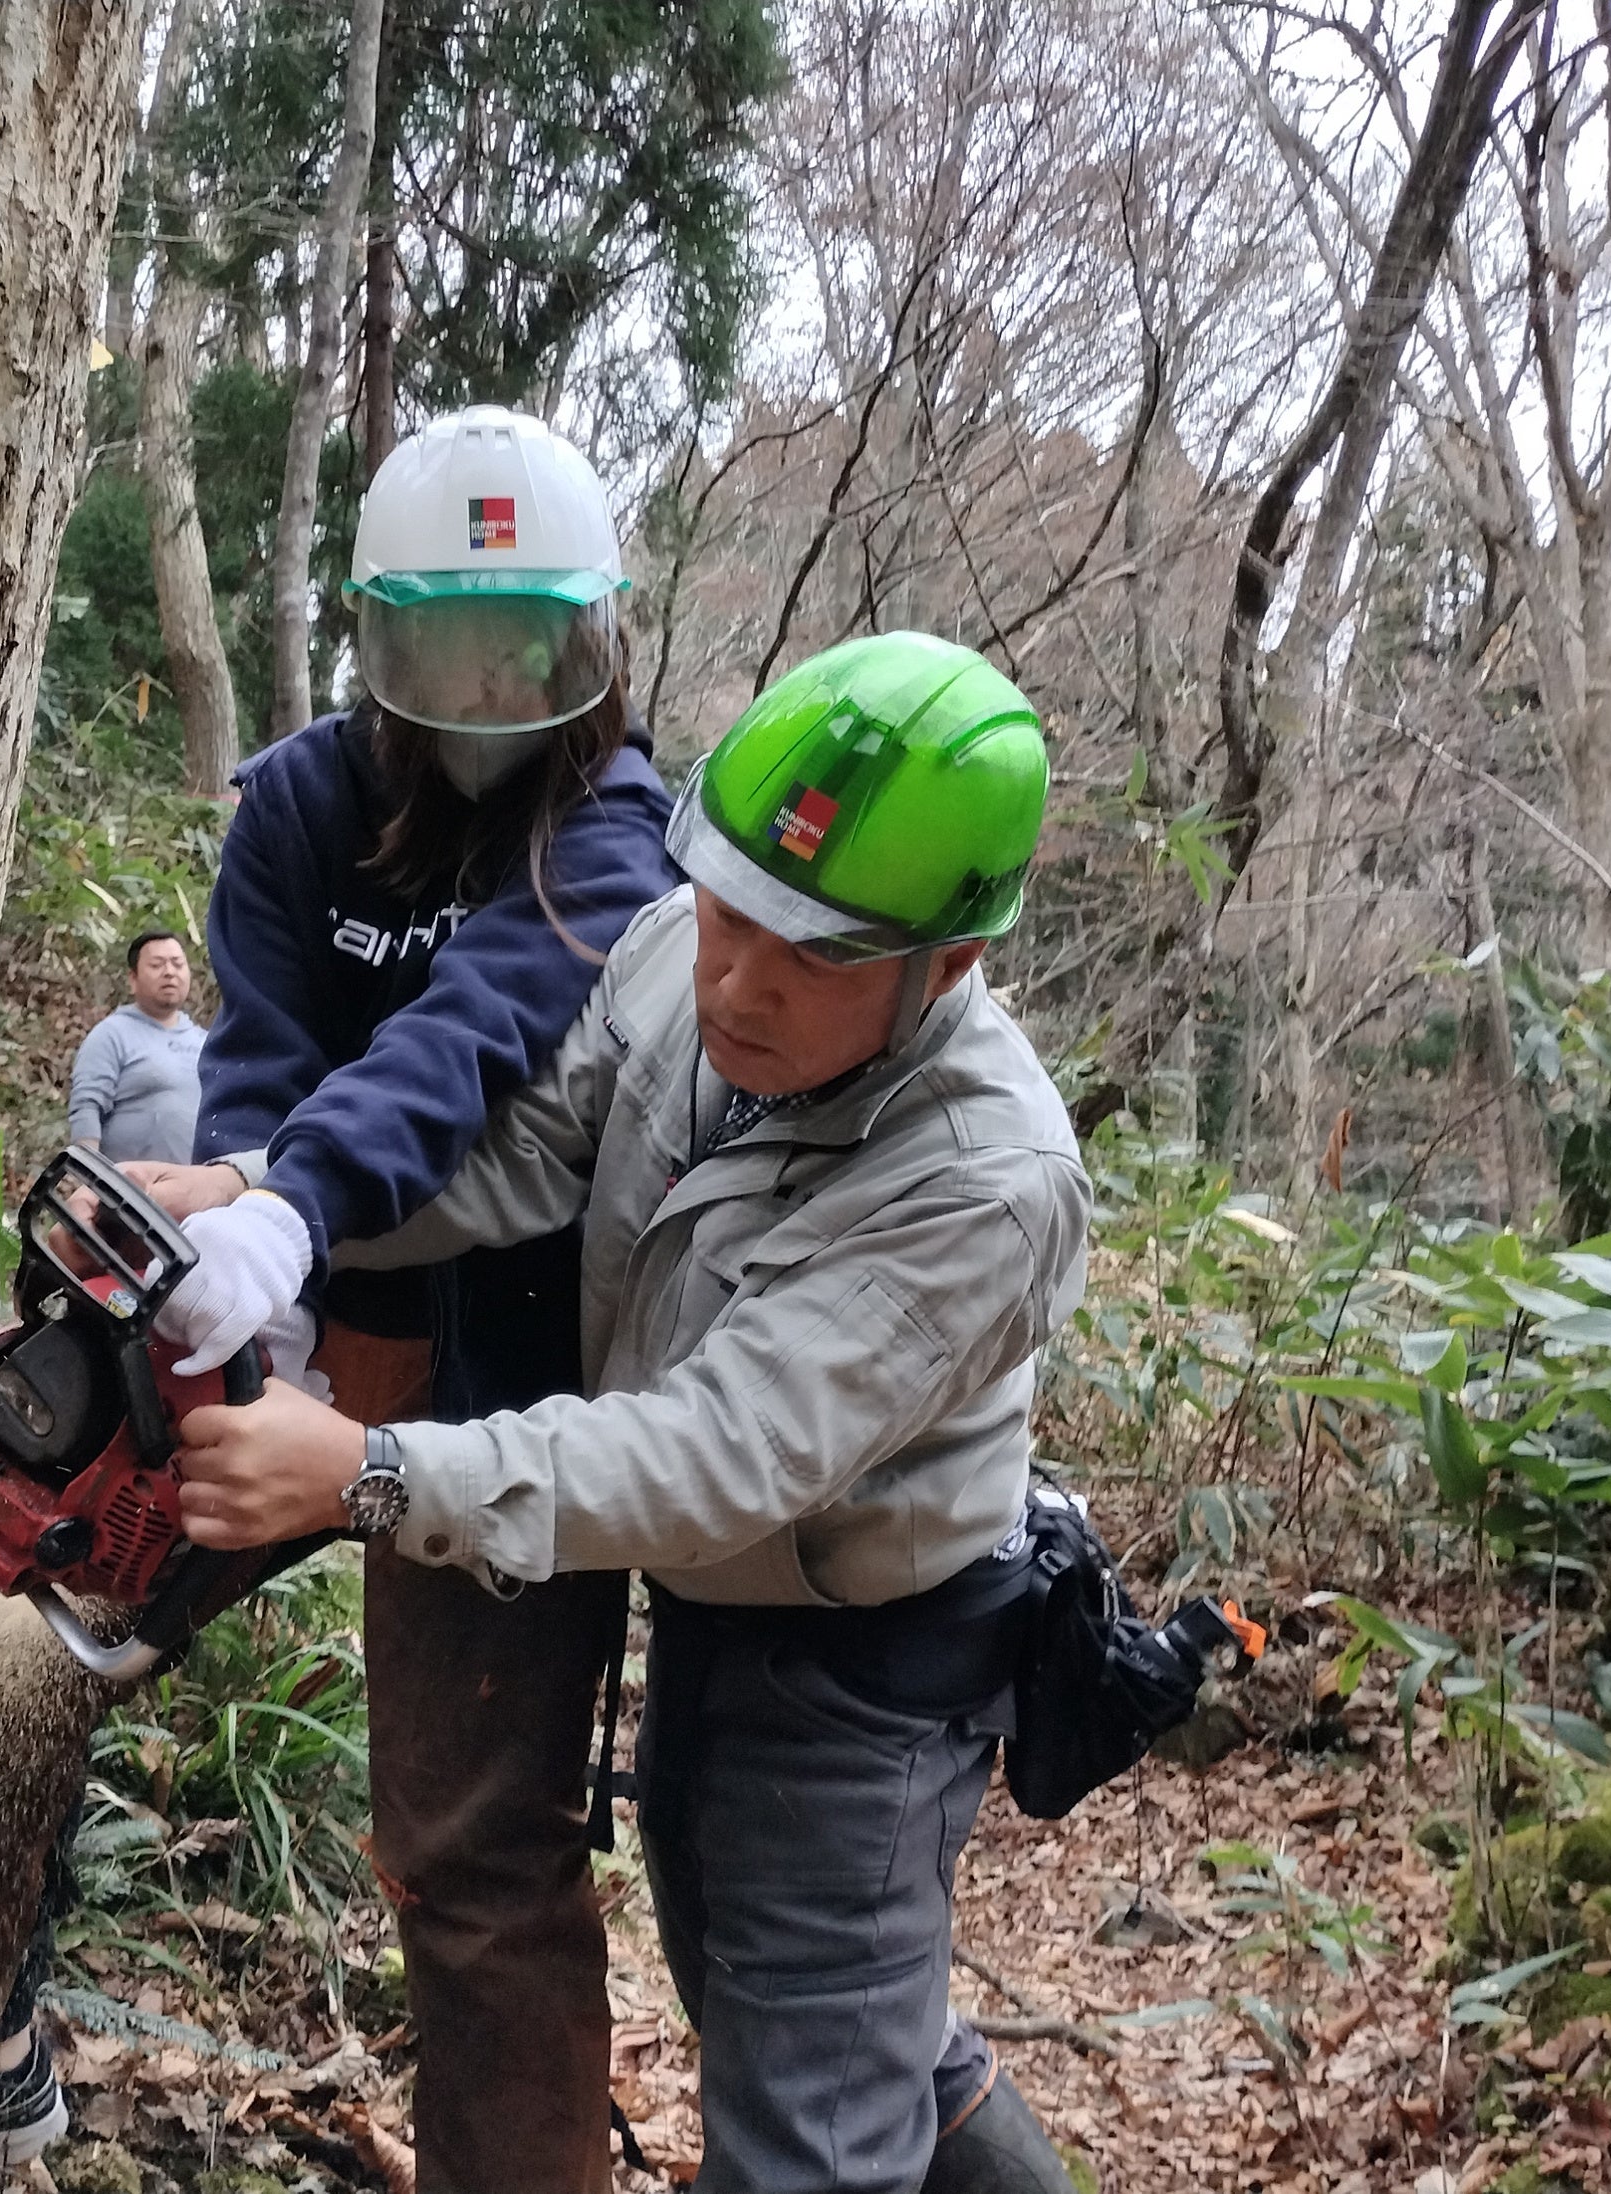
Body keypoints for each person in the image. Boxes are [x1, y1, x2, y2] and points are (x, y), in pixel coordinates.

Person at [0, 404, 678, 2182]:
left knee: (475, 1854)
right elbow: (267, 1054)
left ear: (589, 643)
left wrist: (291, 1207)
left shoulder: (614, 825)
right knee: (2, 1656)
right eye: (443, 647)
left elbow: (473, 1033)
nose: (484, 689)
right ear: (380, 643)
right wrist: (247, 1265)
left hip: (503, 1375)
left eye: (524, 647)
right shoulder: (299, 800)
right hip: (280, 1323)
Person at [173, 632, 1091, 2194]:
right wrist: (267, 1200)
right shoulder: (680, 954)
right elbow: (527, 1154)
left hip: (866, 1670)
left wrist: (369, 1474)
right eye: (729, 907)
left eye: (811, 956)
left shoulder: (983, 1182)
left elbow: (709, 1455)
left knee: (809, 2116)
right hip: (725, 1614)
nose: (736, 977)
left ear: (946, 963)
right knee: (810, 2011)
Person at [65, 930, 208, 1163]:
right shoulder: (111, 1034)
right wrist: (87, 1173)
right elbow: (86, 1106)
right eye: (157, 965)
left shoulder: (206, 1042)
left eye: (177, 964)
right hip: (124, 1183)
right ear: (133, 979)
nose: (169, 972)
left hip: (197, 1182)